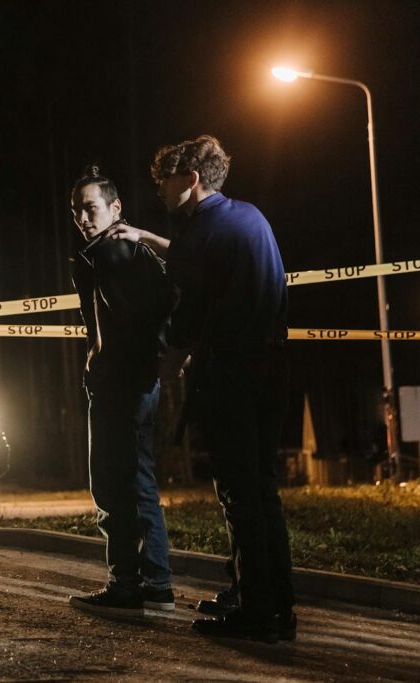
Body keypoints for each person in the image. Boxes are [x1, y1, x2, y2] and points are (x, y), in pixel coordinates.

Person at [112, 136, 295, 643]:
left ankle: (255, 613)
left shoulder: (198, 232)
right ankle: (277, 604)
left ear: (190, 180)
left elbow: (185, 320)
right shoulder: (247, 217)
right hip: (271, 367)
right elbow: (201, 260)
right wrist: (149, 236)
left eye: (165, 181)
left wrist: (164, 372)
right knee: (262, 488)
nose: (161, 191)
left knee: (238, 494)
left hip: (230, 373)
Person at [66, 166, 176, 618]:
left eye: (90, 208)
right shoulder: (120, 253)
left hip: (123, 384)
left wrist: (104, 365)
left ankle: (127, 584)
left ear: (116, 209)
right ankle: (156, 583)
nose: (83, 219)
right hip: (135, 380)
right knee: (139, 480)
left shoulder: (114, 254)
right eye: (76, 212)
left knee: (112, 483)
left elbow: (132, 321)